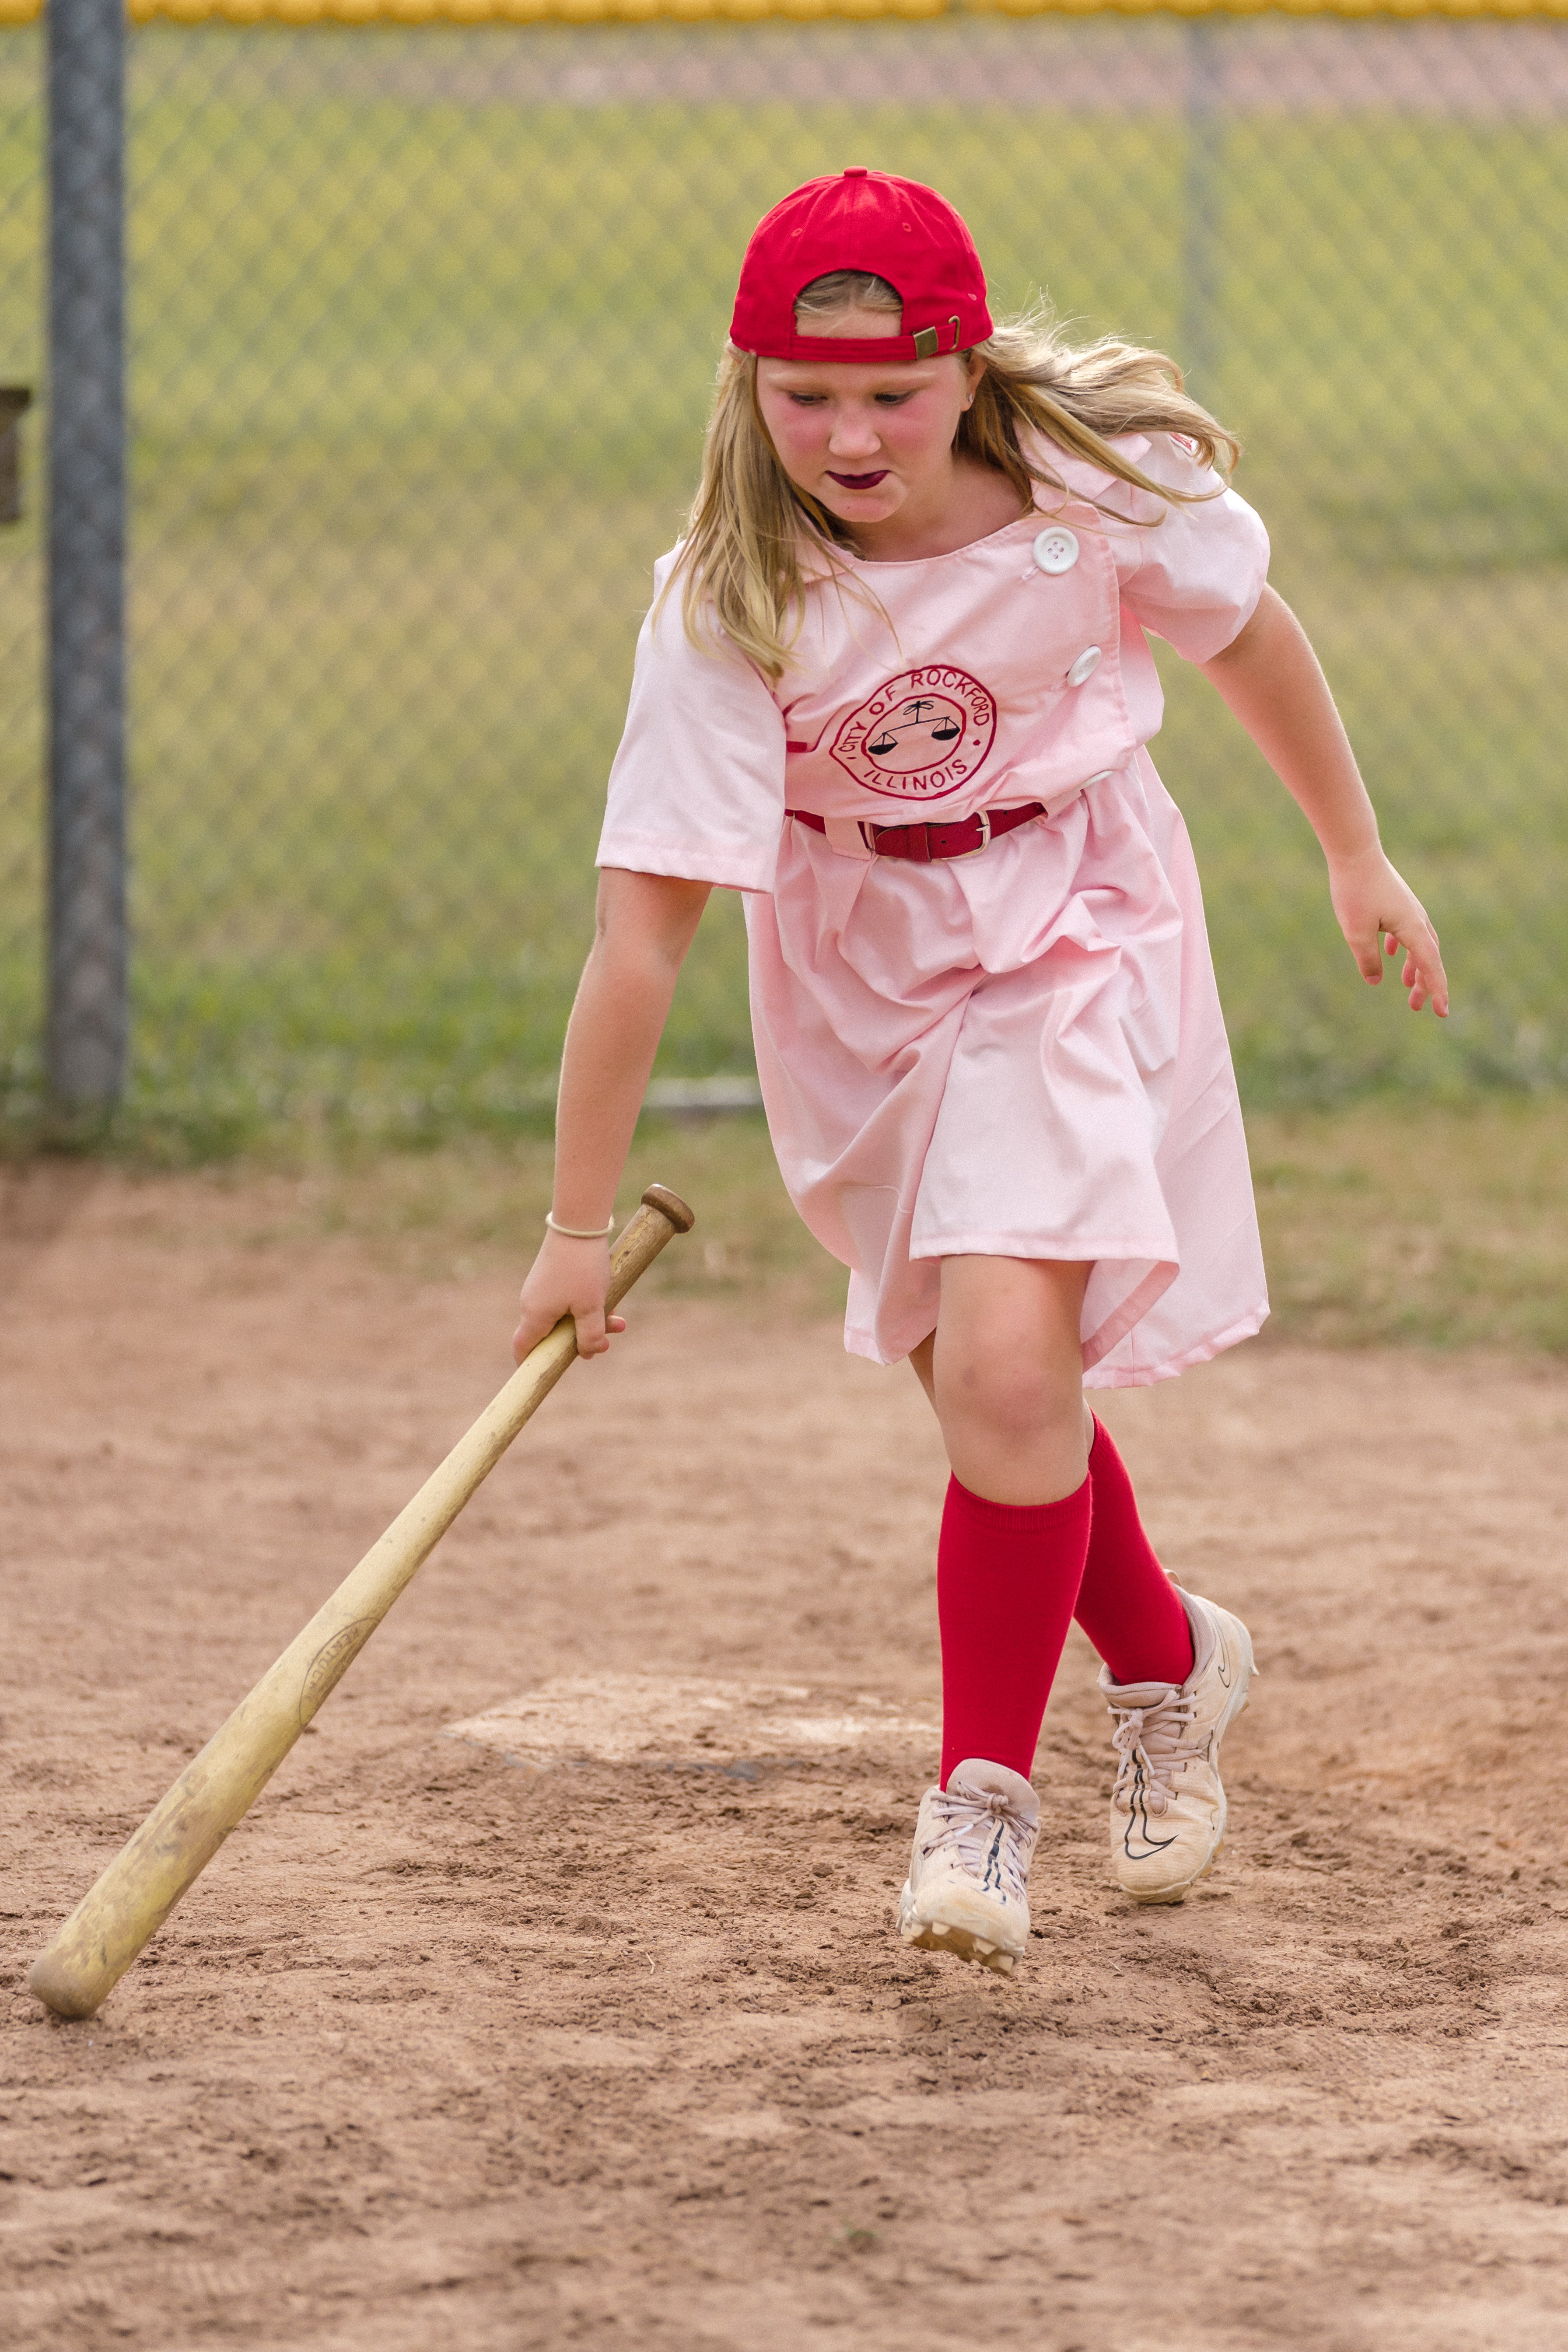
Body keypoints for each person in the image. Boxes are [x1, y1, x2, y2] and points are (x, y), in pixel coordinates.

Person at [510, 170, 1447, 1976]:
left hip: (1068, 919)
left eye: (891, 391)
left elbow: (1246, 633)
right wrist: (569, 1222)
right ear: (744, 385)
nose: (848, 434)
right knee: (993, 1405)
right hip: (859, 980)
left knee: (1013, 1369)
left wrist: (1350, 849)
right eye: (803, 394)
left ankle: (982, 1810)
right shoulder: (729, 597)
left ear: (962, 367)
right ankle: (1169, 1661)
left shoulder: (1090, 498)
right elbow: (641, 938)